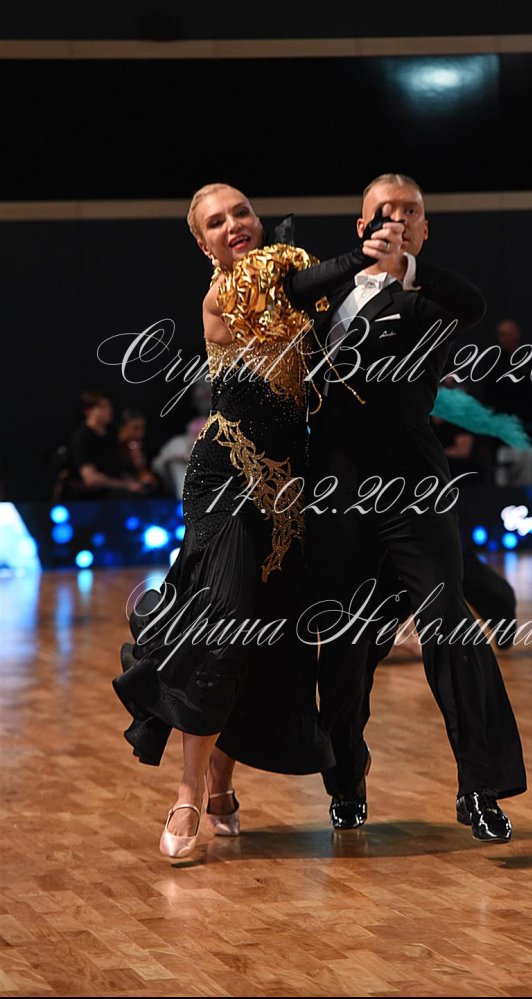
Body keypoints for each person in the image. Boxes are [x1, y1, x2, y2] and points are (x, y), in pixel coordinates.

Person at [112, 182, 402, 858]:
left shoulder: (291, 279)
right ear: (202, 244)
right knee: (225, 618)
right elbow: (294, 288)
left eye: (241, 212)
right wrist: (363, 253)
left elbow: (325, 316)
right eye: (217, 222)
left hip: (289, 494)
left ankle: (220, 785)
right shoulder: (226, 294)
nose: (234, 225)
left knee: (263, 637)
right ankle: (188, 794)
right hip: (227, 477)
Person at [305, 173, 527, 842]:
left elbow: (474, 302)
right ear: (361, 225)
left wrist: (405, 267)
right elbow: (291, 294)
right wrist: (356, 263)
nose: (397, 218)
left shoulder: (433, 300)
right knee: (345, 648)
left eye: (411, 212)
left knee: (448, 624)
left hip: (413, 489)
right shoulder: (326, 294)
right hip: (338, 491)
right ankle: (346, 782)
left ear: (424, 230)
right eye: (384, 211)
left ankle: (481, 787)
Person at [68, 390, 144, 498]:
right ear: (88, 411)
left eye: (109, 407)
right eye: (102, 407)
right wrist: (124, 485)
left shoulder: (112, 432)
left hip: (117, 485)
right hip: (96, 494)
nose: (108, 411)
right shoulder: (82, 437)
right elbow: (90, 478)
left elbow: (118, 466)